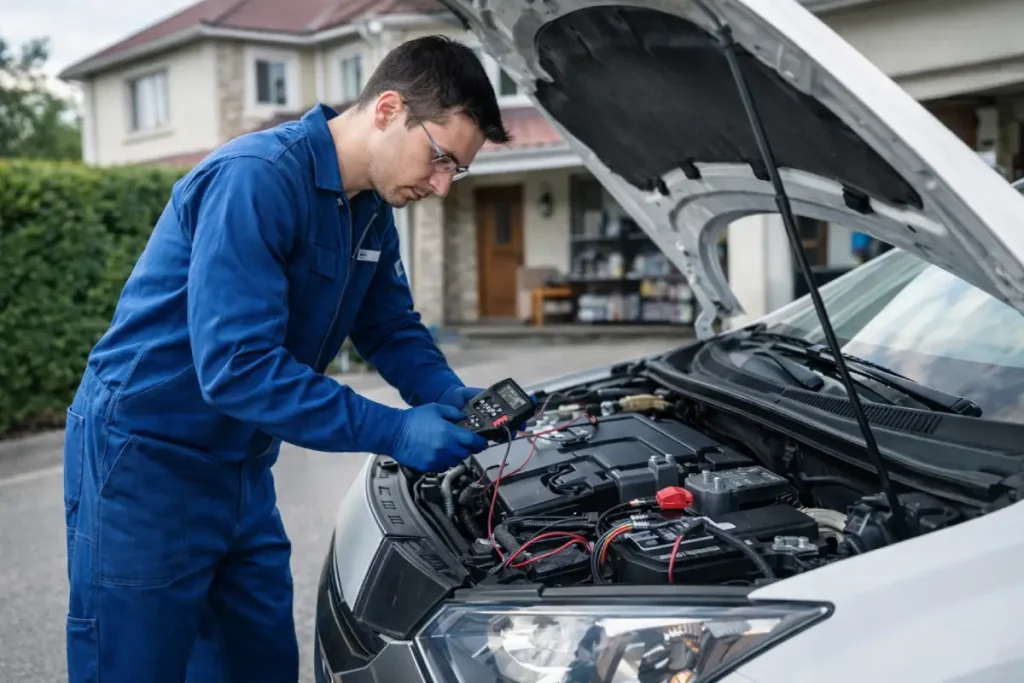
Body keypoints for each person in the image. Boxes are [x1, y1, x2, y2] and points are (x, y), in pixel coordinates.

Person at [62, 35, 510, 683]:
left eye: (456, 171)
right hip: (145, 460)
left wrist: (444, 392)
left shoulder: (370, 211)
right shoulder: (256, 179)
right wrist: (394, 430)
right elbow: (238, 368)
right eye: (440, 158)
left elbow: (388, 325)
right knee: (133, 665)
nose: (441, 185)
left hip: (241, 464)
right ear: (388, 109)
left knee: (259, 661)